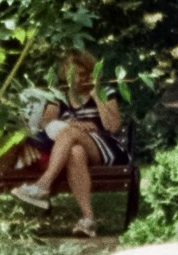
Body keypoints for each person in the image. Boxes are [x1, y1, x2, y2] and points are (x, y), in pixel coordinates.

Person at [13, 82, 135, 235]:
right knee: (75, 151)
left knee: (68, 133)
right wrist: (70, 124)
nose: (81, 77)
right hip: (70, 147)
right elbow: (45, 124)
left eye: (84, 72)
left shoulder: (105, 91)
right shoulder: (59, 95)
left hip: (106, 147)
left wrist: (98, 98)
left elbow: (113, 126)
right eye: (76, 73)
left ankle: (43, 185)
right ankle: (88, 220)